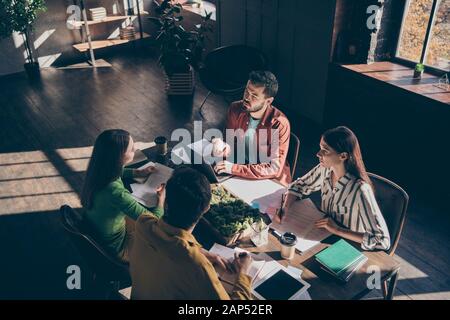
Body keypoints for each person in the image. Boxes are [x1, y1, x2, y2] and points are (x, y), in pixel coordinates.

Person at [130, 167, 254, 300]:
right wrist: (243, 273)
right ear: (206, 208)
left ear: (165, 200)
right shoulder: (197, 265)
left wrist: (202, 253)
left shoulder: (143, 223)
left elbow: (171, 243)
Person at [280, 126, 390, 251]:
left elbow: (382, 240)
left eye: (325, 151)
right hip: (320, 237)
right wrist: (285, 207)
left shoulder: (361, 190)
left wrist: (337, 230)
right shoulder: (325, 168)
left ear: (343, 156)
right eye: (320, 148)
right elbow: (299, 185)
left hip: (346, 246)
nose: (318, 154)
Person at [81, 129, 165, 262]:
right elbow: (154, 222)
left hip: (98, 232)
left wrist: (137, 172)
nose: (135, 148)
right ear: (119, 157)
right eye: (132, 149)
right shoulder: (117, 193)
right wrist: (161, 201)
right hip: (117, 248)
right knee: (160, 237)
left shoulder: (96, 171)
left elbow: (115, 170)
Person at [214, 70, 292, 186]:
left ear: (268, 101)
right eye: (246, 91)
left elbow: (274, 168)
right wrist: (221, 143)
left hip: (270, 180)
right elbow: (231, 143)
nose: (246, 97)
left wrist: (235, 168)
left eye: (254, 96)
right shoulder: (235, 108)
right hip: (243, 167)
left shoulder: (279, 124)